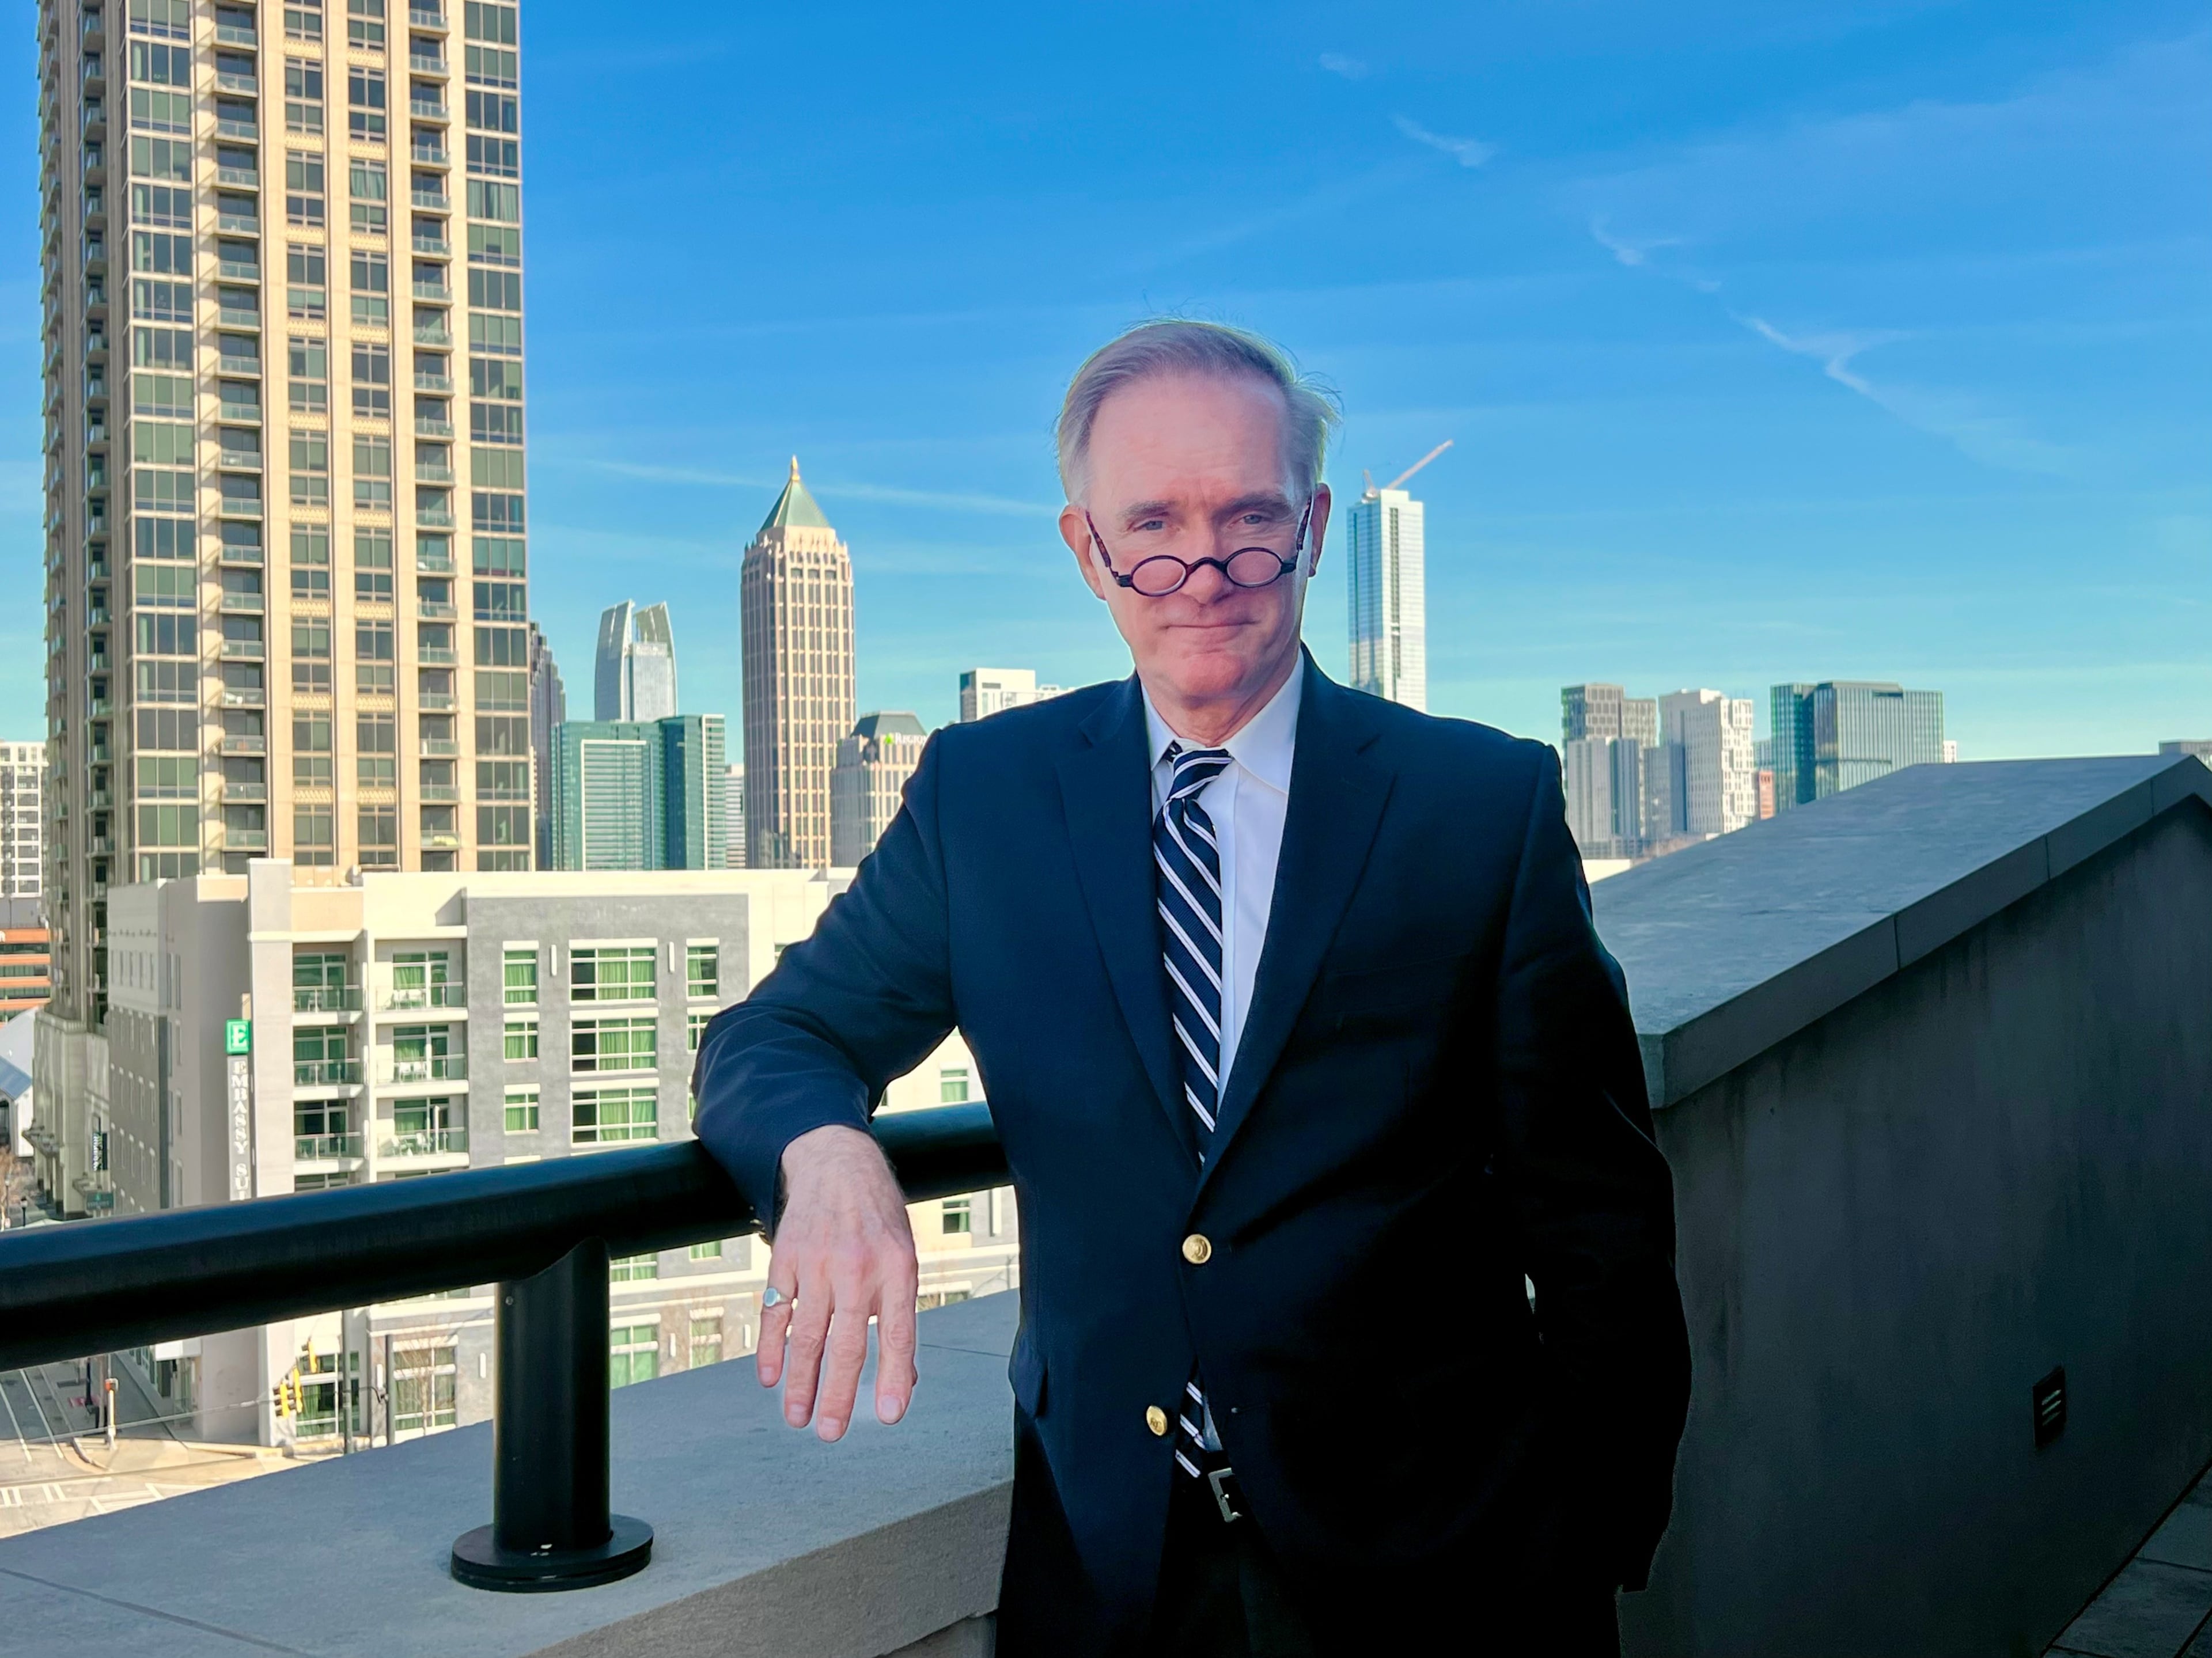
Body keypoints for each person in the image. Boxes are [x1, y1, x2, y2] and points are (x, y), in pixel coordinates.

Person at [692, 320, 1690, 1656]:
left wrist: (1589, 1541)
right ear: (1086, 549)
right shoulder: (987, 800)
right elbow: (781, 1030)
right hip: (1111, 1578)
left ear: (1317, 525)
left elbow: (1600, 1217)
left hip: (1453, 1574)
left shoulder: (1478, 806)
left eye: (1251, 518)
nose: (1204, 570)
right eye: (1152, 523)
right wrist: (824, 1154)